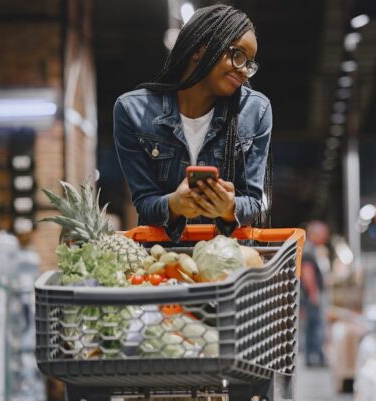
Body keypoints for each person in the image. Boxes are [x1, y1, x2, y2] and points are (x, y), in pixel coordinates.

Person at [113, 4, 271, 241]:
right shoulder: (132, 111)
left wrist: (229, 208)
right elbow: (145, 203)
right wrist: (174, 205)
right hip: (162, 260)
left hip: (228, 257)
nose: (244, 71)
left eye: (249, 63)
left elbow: (253, 202)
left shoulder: (255, 110)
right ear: (200, 49)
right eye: (237, 56)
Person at [300, 220, 329, 366]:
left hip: (311, 295)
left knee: (313, 326)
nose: (326, 236)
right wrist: (313, 294)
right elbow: (307, 273)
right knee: (314, 326)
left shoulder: (312, 248)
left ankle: (313, 357)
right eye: (323, 233)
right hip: (311, 296)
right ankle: (313, 358)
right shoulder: (309, 250)